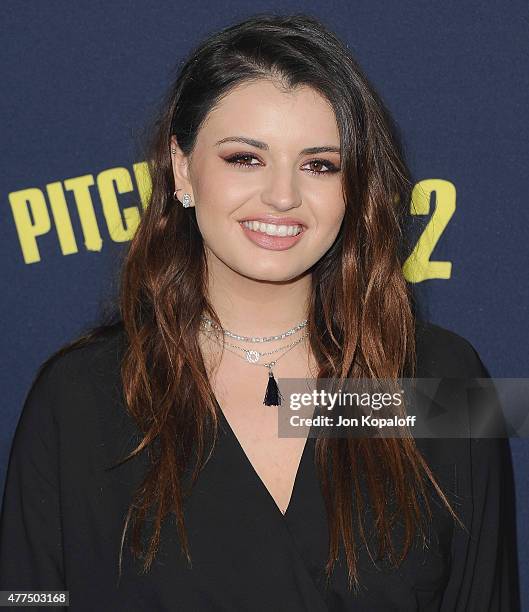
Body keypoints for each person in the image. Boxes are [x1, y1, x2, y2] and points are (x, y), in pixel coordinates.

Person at [0, 12, 519, 611]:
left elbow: (487, 593)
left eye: (319, 164)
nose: (282, 195)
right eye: (245, 158)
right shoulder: (79, 397)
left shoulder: (445, 381)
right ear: (181, 168)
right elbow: (27, 596)